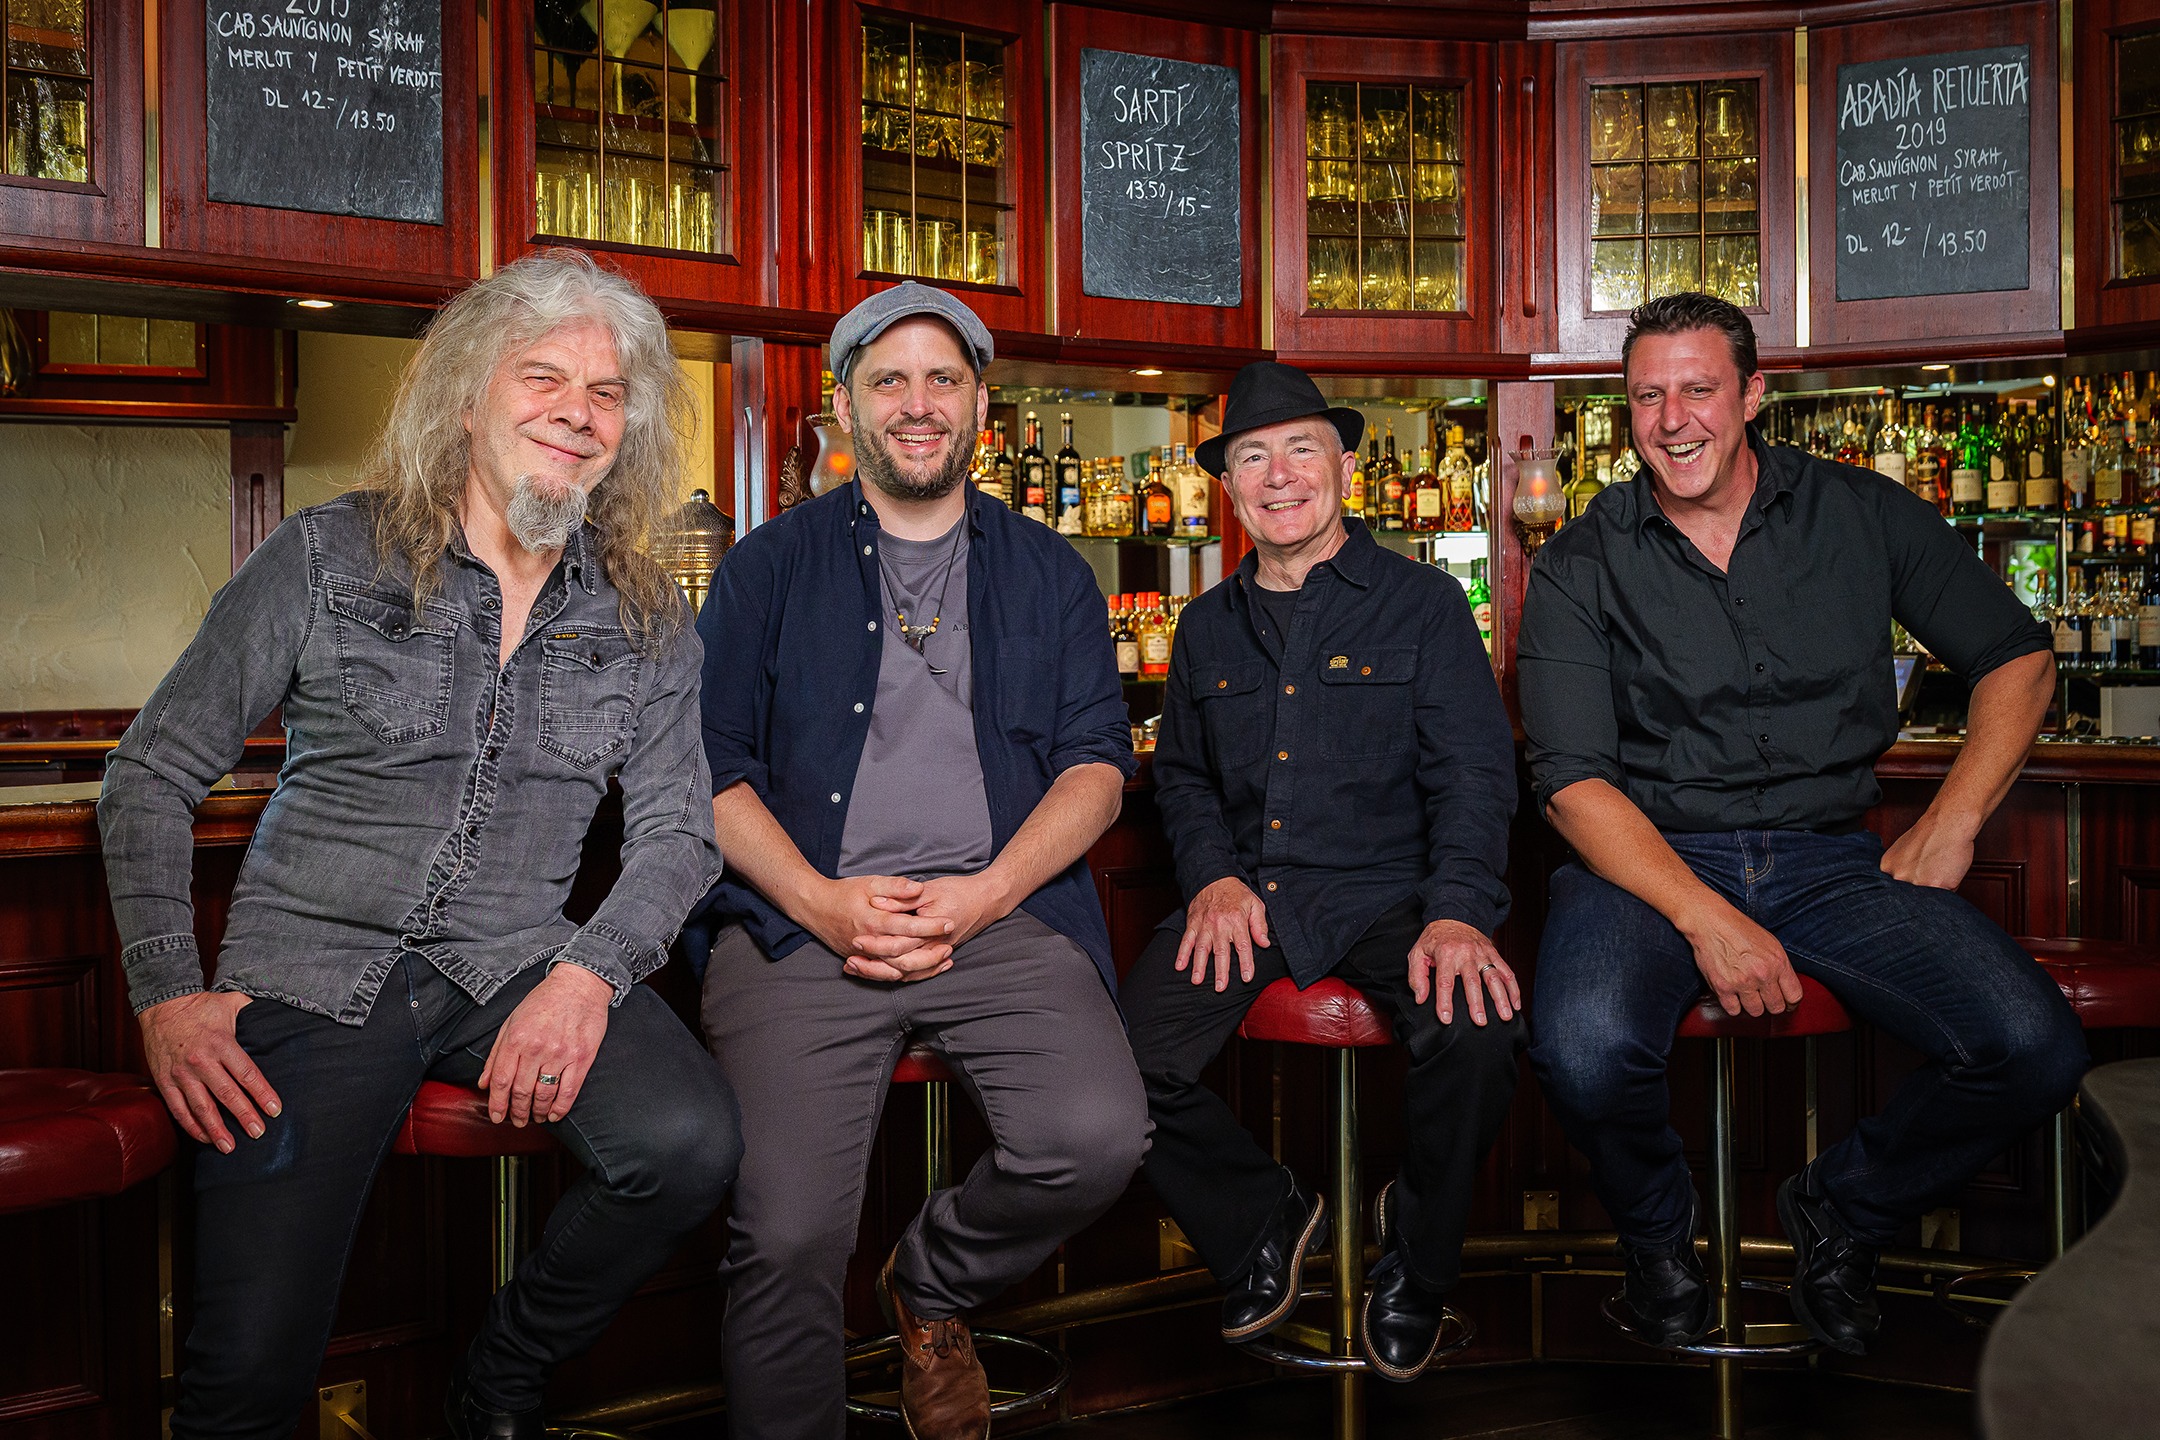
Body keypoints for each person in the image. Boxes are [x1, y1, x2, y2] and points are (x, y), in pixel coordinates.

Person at [97, 250, 740, 1440]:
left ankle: (498, 1377)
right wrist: (168, 997)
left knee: (688, 1145)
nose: (578, 413)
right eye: (543, 377)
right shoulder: (324, 554)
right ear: (465, 397)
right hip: (310, 973)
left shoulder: (647, 613)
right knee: (246, 1379)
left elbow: (677, 836)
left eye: (608, 395)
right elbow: (150, 773)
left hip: (514, 962)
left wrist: (587, 978)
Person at [1517, 291, 2084, 1356]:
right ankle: (1659, 1242)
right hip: (1647, 857)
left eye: (1697, 389)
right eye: (1647, 396)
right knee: (1584, 1051)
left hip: (1829, 858)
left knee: (2032, 1046)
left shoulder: (1861, 513)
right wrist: (1705, 918)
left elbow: (2017, 654)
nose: (1672, 418)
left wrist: (1956, 819)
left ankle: (1845, 1208)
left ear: (1753, 395)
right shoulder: (1581, 561)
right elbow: (1573, 784)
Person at [693, 281, 1149, 1440]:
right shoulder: (766, 570)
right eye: (888, 379)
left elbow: (1099, 762)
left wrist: (988, 894)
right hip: (802, 927)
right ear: (845, 407)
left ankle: (929, 1281)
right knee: (785, 1234)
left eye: (942, 378)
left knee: (1097, 1139)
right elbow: (704, 766)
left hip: (998, 916)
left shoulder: (1050, 573)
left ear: (980, 406)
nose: (917, 402)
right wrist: (819, 901)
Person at [1119, 362, 1523, 1381]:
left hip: (1395, 896)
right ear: (1229, 484)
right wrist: (1209, 875)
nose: (1279, 475)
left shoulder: (1424, 605)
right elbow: (1186, 785)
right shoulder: (1206, 625)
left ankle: (1418, 1265)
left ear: (1343, 464)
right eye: (1252, 457)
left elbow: (1476, 776)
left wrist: (1463, 911)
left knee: (1479, 1035)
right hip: (1249, 898)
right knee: (1110, 1067)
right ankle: (1265, 1217)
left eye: (1300, 449)